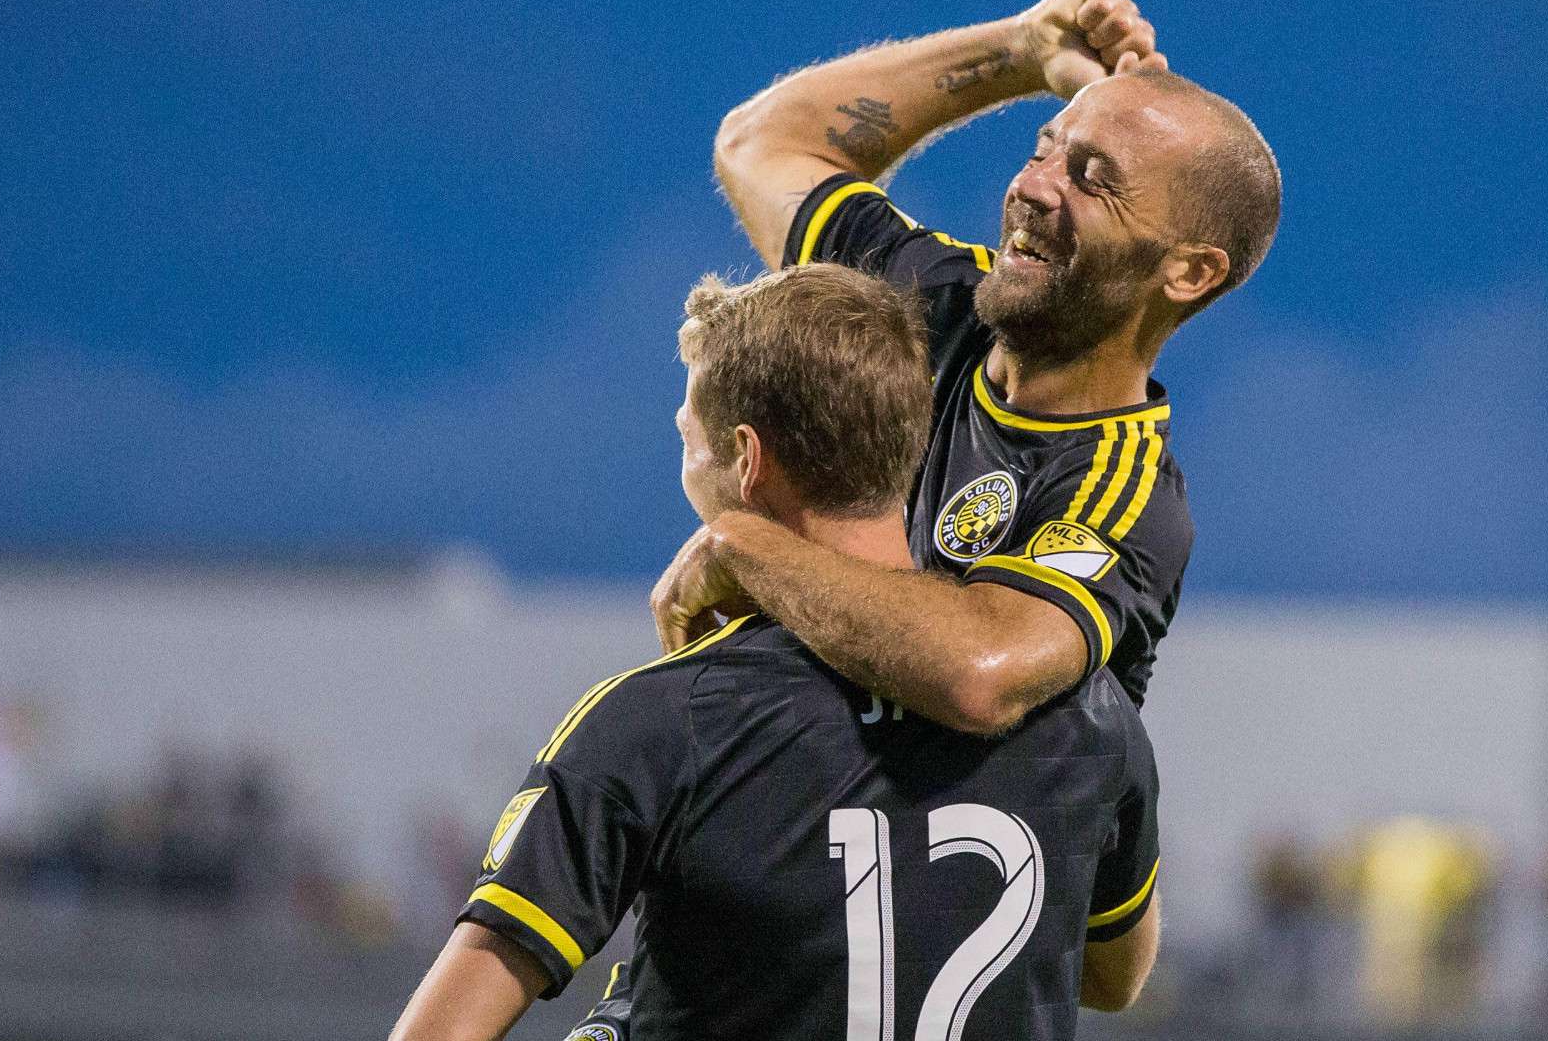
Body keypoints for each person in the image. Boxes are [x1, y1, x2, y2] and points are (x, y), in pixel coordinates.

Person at [388, 265, 1162, 1041]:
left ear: (746, 458)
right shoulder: (1091, 715)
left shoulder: (663, 720)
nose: (685, 456)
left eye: (688, 437)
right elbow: (1114, 977)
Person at [651, 0, 1281, 735]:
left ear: (1189, 273)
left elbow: (982, 673)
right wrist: (1024, 52)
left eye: (1092, 180)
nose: (1032, 187)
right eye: (1044, 150)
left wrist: (746, 545)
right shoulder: (931, 302)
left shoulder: (1121, 487)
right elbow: (762, 145)